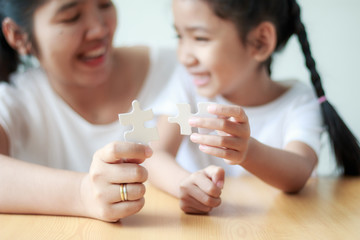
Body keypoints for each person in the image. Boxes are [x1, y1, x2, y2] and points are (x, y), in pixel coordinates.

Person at [145, 0, 360, 214]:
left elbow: (299, 171)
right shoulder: (187, 87)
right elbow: (156, 155)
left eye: (200, 38)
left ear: (260, 42)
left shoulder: (298, 101)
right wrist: (185, 183)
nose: (184, 57)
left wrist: (248, 151)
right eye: (180, 36)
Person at [0, 0, 177, 222]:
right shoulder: (15, 101)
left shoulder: (181, 71)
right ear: (17, 35)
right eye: (71, 17)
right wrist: (82, 193)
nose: (99, 29)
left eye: (104, 5)